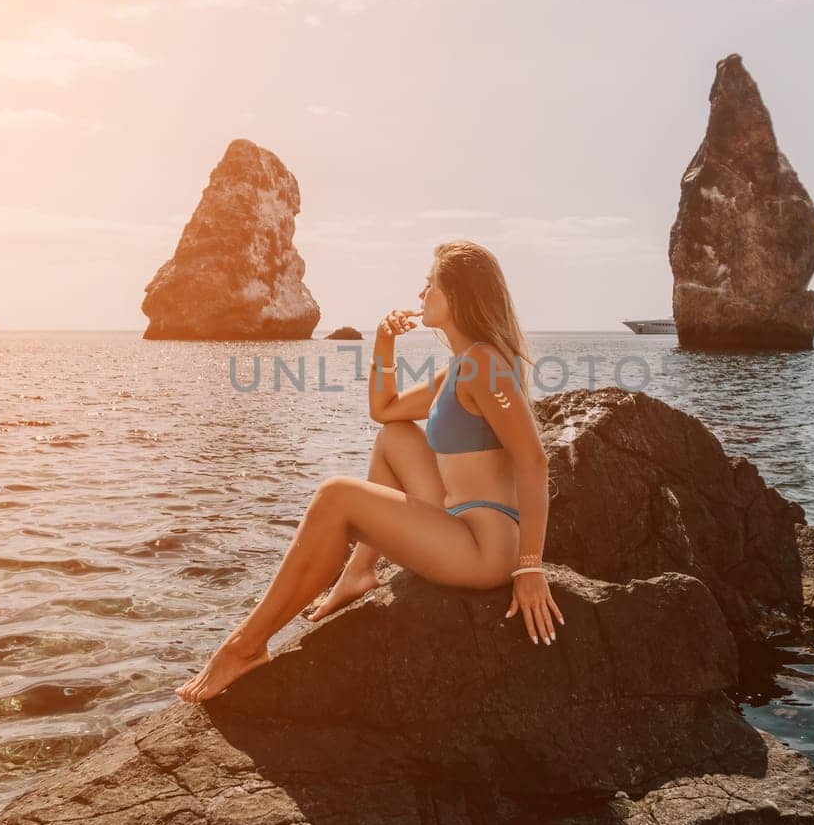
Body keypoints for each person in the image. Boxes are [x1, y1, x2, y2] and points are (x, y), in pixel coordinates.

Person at [176, 240, 563, 703]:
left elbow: (533, 460)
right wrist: (384, 342)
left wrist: (530, 568)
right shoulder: (461, 368)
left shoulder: (484, 363)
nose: (421, 295)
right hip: (458, 519)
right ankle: (358, 572)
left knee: (336, 495)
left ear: (457, 295)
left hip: (485, 548)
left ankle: (244, 646)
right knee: (395, 436)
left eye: (430, 285)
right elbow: (385, 410)